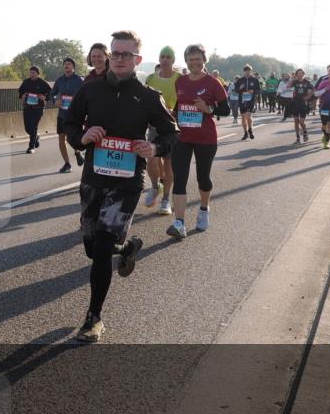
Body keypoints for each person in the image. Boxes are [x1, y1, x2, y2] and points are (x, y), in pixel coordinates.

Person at [65, 30, 178, 342]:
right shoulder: (90, 90)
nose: (118, 59)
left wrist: (154, 148)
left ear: (137, 59)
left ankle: (93, 318)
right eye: (115, 53)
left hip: (127, 182)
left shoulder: (148, 96)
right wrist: (81, 138)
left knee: (102, 247)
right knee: (92, 248)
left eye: (126, 55)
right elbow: (69, 123)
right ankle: (127, 247)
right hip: (93, 178)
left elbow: (171, 132)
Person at [167, 44, 229, 239]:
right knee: (179, 178)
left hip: (205, 138)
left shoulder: (213, 83)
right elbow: (180, 104)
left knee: (203, 177)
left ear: (204, 60)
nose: (194, 63)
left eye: (198, 59)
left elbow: (226, 109)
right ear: (186, 61)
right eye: (191, 59)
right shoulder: (180, 81)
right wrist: (172, 114)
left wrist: (209, 109)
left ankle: (204, 209)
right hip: (183, 137)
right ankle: (179, 223)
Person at [143, 46, 180, 215]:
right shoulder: (151, 78)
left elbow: (185, 99)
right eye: (162, 56)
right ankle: (154, 186)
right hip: (154, 126)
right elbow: (144, 100)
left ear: (173, 60)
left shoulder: (180, 78)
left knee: (168, 163)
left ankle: (166, 200)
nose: (165, 59)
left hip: (172, 128)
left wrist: (175, 111)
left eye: (168, 57)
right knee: (151, 160)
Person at [49, 58, 85, 173]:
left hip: (74, 116)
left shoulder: (79, 80)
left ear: (73, 67)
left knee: (72, 138)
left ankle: (77, 152)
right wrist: (55, 101)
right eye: (65, 64)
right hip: (62, 114)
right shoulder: (59, 80)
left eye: (69, 64)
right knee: (61, 139)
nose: (66, 66)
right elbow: (52, 94)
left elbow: (85, 95)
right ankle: (67, 164)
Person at [18, 67, 51, 154]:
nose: (31, 74)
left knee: (33, 127)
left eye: (33, 73)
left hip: (38, 108)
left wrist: (45, 97)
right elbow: (20, 91)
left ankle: (31, 147)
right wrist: (22, 95)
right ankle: (35, 137)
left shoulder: (42, 83)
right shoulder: (26, 82)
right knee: (27, 128)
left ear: (37, 74)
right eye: (30, 73)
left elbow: (51, 92)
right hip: (27, 108)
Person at [234, 65, 261, 140]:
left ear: (251, 71)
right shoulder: (240, 80)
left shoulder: (255, 80)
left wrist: (253, 91)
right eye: (246, 70)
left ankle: (250, 130)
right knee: (243, 117)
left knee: (248, 116)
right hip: (242, 100)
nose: (247, 72)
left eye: (248, 70)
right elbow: (236, 90)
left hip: (251, 100)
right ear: (244, 71)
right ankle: (245, 133)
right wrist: (240, 88)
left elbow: (259, 90)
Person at [288, 68, 314, 144]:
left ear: (303, 74)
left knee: (301, 122)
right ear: (296, 75)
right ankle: (298, 138)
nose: (300, 74)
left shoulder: (307, 82)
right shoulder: (294, 82)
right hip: (295, 102)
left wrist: (308, 97)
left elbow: (313, 90)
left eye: (301, 73)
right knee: (296, 121)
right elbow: (288, 87)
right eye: (298, 73)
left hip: (303, 103)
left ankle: (305, 132)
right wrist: (292, 79)